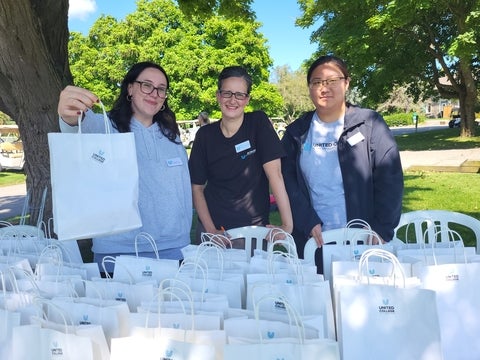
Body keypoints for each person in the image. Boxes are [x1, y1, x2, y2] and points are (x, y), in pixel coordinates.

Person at [57, 61, 192, 272]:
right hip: (117, 252)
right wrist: (68, 113)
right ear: (130, 88)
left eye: (161, 89)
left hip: (174, 249)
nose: (154, 93)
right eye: (146, 85)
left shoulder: (171, 134)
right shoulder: (105, 126)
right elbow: (75, 125)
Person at [281, 55, 404, 258]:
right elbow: (287, 181)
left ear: (346, 83)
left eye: (332, 81)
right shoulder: (297, 132)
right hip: (314, 239)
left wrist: (381, 228)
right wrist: (306, 220)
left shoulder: (370, 124)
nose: (324, 88)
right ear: (309, 87)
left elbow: (390, 178)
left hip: (363, 237)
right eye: (317, 82)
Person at [188, 66, 293, 242]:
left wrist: (287, 224)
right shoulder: (205, 136)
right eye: (227, 93)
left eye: (240, 94)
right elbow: (196, 187)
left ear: (247, 99)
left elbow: (275, 174)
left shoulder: (258, 123)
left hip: (253, 232)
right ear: (218, 96)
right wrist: (211, 230)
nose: (232, 100)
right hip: (213, 231)